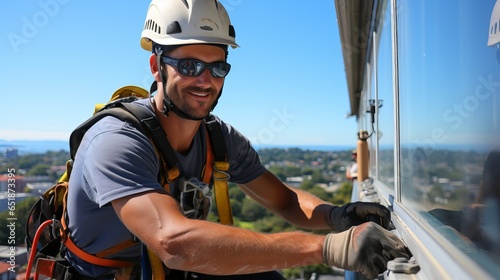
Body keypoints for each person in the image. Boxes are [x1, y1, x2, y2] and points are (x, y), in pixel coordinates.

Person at [64, 0, 410, 279]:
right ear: (157, 66)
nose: (205, 81)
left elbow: (286, 201)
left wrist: (338, 216)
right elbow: (173, 242)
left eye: (218, 68)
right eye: (188, 67)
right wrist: (328, 248)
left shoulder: (218, 137)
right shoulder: (115, 140)